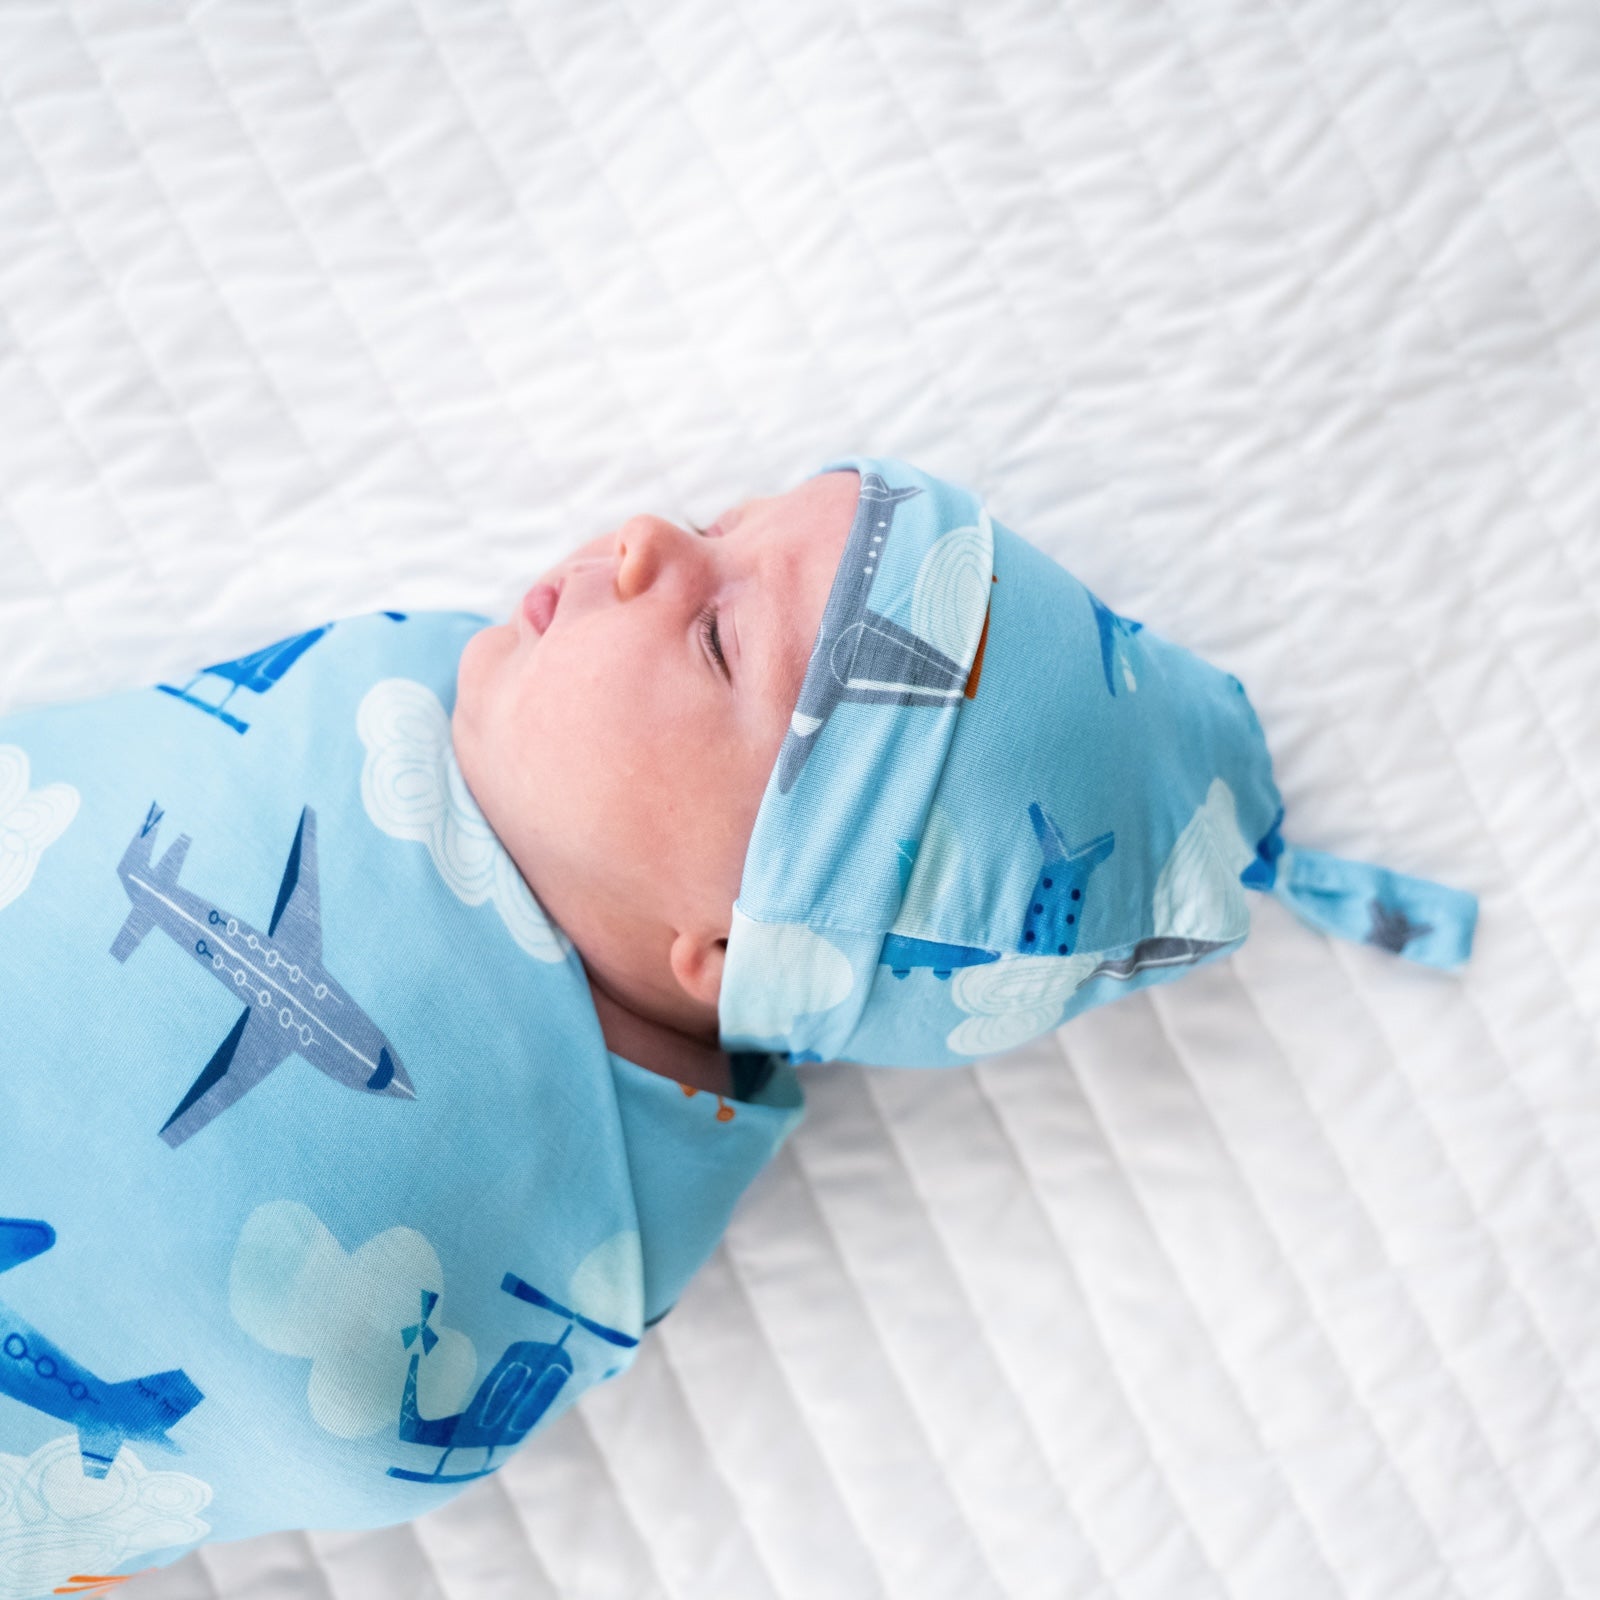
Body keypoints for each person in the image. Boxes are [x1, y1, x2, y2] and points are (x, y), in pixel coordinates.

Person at [0, 457, 1476, 1598]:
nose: (643, 536)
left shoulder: (555, 1231)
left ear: (730, 947)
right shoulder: (384, 703)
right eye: (717, 518)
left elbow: (285, 1423)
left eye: (714, 639)